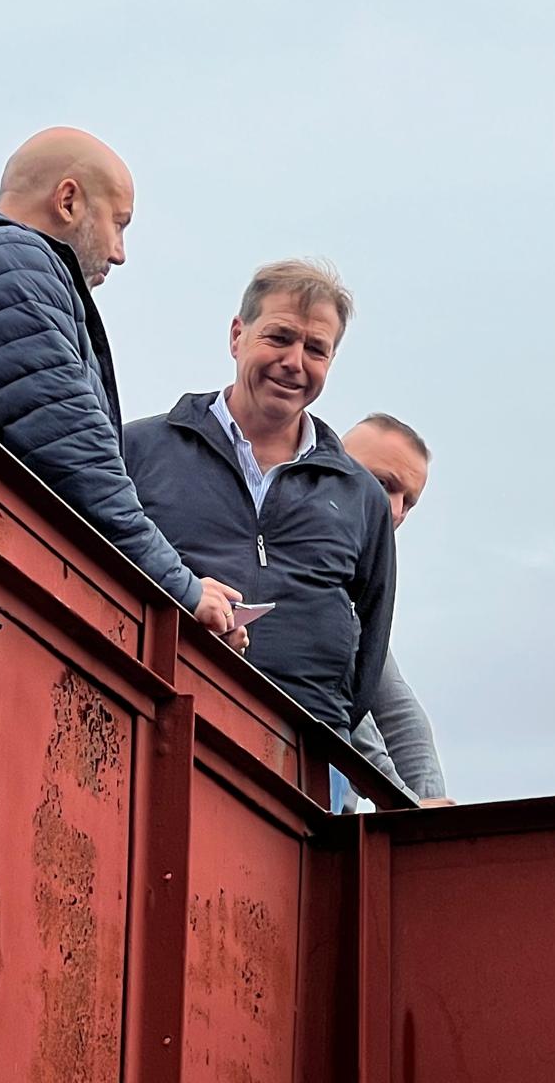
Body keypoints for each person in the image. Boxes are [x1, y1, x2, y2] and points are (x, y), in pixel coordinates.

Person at [0, 127, 244, 640]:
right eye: (118, 224)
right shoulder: (11, 265)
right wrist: (183, 590)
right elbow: (77, 459)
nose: (120, 252)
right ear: (69, 201)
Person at [122, 260, 397, 808]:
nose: (294, 363)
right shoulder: (140, 451)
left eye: (316, 349)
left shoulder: (361, 495)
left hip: (312, 765)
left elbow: (370, 644)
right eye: (279, 337)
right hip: (157, 729)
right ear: (236, 335)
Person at [341, 414, 453, 808]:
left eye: (409, 502)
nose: (395, 510)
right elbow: (340, 703)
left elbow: (400, 716)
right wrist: (404, 805)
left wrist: (432, 810)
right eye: (383, 484)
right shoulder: (290, 548)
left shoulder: (358, 589)